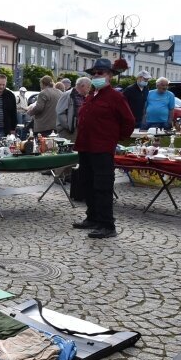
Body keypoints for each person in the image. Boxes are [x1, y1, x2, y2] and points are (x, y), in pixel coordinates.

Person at [72, 58, 135, 239]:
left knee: (102, 186)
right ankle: (92, 218)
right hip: (86, 146)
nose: (96, 75)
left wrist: (113, 138)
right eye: (94, 73)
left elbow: (128, 121)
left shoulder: (115, 97)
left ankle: (107, 224)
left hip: (102, 148)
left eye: (100, 73)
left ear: (109, 76)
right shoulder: (92, 95)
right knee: (87, 184)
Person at [56, 76, 91, 142]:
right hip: (68, 132)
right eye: (88, 87)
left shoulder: (84, 97)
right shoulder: (68, 94)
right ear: (82, 86)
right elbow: (60, 112)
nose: (89, 90)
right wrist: (69, 127)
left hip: (79, 131)